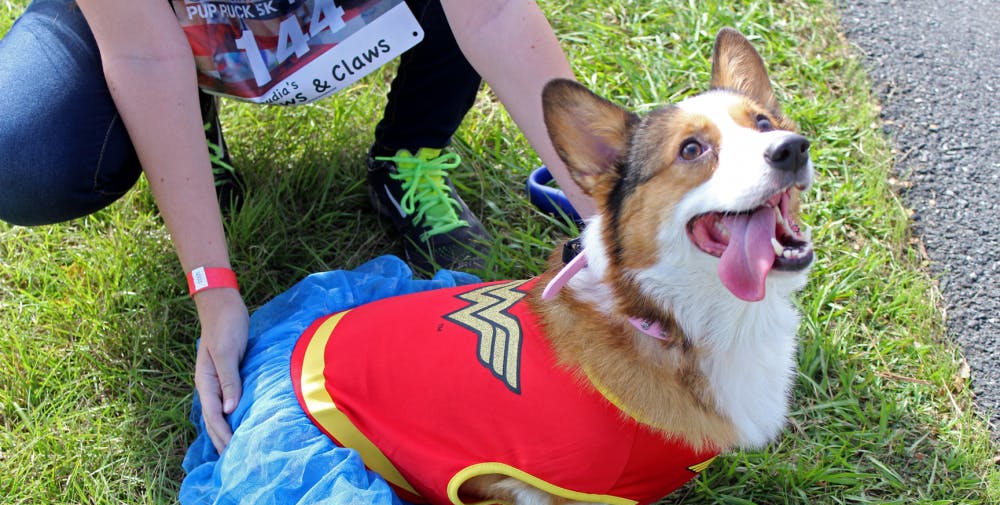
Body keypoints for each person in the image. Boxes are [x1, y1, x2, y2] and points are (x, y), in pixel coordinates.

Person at [0, 0, 595, 453]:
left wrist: (606, 215)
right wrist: (213, 289)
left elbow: (492, 13)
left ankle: (409, 151)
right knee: (25, 157)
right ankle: (189, 127)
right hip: (155, 21)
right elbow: (142, 55)